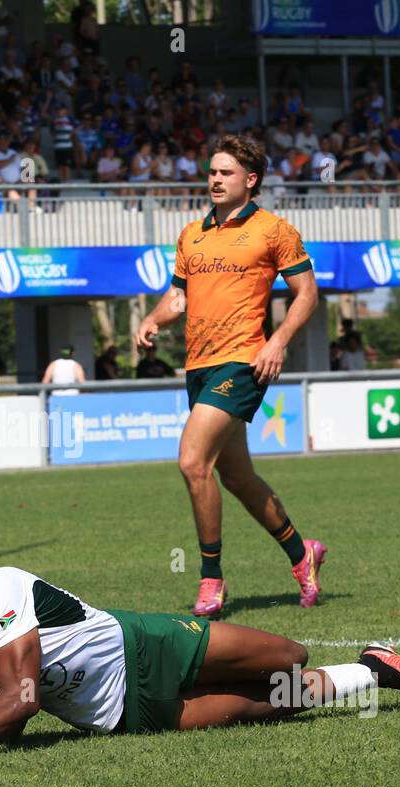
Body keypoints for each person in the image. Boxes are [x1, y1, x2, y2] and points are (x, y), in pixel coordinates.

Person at [0, 568, 400, 758]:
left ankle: (369, 665)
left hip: (142, 643)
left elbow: (24, 699)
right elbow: (8, 719)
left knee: (287, 657)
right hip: (120, 715)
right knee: (275, 701)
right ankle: (376, 670)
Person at [137, 134, 324, 616]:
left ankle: (211, 579)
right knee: (238, 478)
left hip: (244, 360)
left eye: (226, 173)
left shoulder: (273, 230)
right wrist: (154, 319)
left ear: (251, 180)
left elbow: (306, 294)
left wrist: (277, 342)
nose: (215, 179)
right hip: (198, 366)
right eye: (212, 172)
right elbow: (178, 296)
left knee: (192, 462)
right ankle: (302, 555)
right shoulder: (191, 234)